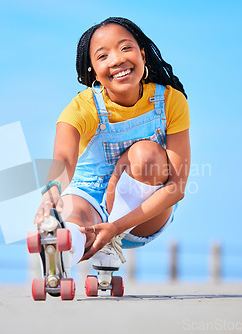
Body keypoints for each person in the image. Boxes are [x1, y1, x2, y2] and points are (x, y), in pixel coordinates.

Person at [34, 17, 190, 277]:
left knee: (147, 154)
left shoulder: (171, 101)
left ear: (142, 54)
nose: (117, 60)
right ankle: (60, 254)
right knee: (72, 220)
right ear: (93, 71)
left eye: (125, 48)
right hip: (89, 197)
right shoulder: (82, 108)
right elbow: (64, 158)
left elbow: (176, 186)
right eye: (103, 56)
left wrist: (115, 228)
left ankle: (110, 244)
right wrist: (50, 195)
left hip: (141, 216)